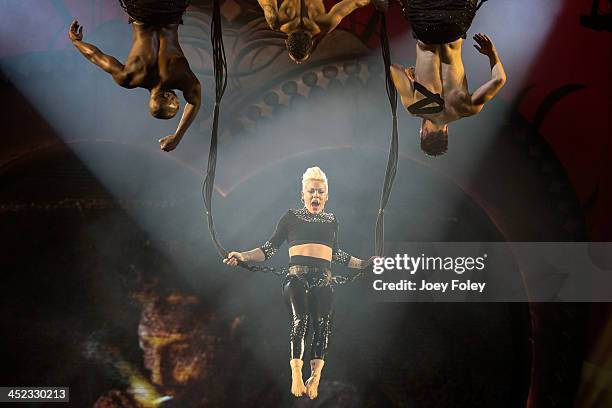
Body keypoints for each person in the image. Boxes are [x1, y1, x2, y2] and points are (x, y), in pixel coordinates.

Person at [223, 166, 372, 400]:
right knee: (300, 320)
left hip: (324, 280)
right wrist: (242, 256)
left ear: (326, 195)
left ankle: (315, 378)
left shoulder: (332, 221)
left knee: (323, 325)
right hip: (297, 278)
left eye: (320, 192)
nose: (316, 196)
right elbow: (268, 249)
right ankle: (296, 372)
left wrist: (364, 264)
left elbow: (337, 254)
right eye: (311, 191)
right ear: (302, 194)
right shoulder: (291, 217)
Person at [68, 2, 200, 152]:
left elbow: (194, 102)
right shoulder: (129, 77)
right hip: (140, 11)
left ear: (170, 96)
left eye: (176, 101)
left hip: (170, 10)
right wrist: (76, 41)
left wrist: (177, 137)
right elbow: (96, 57)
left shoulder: (182, 78)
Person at [391, 0, 506, 156]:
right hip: (425, 27)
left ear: (446, 133)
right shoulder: (413, 107)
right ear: (424, 133)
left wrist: (492, 54)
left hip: (455, 26)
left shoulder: (467, 109)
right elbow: (393, 69)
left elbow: (499, 80)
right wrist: (410, 80)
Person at [257, 0, 387, 63]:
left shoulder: (325, 24)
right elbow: (267, 3)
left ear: (312, 43)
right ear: (286, 42)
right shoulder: (277, 21)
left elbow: (354, 3)